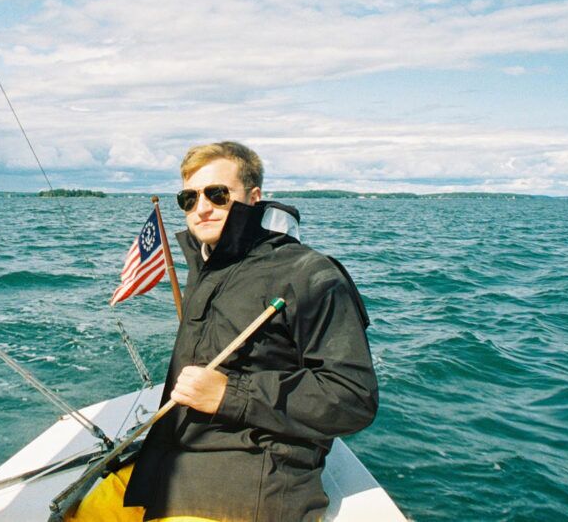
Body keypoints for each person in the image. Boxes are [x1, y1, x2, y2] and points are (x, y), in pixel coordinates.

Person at [70, 141, 378, 522]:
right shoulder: (207, 267)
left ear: (254, 197)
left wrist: (230, 394)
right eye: (189, 198)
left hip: (250, 483)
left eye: (217, 194)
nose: (201, 208)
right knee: (82, 512)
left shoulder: (309, 275)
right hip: (174, 464)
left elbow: (353, 397)